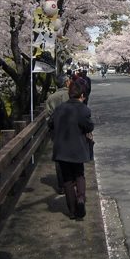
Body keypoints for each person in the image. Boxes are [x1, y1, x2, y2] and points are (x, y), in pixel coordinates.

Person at [48, 81, 94, 220]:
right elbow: (89, 127)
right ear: (81, 95)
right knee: (79, 174)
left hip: (61, 149)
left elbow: (50, 124)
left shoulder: (59, 109)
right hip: (77, 149)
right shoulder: (83, 109)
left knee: (67, 179)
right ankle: (80, 199)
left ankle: (72, 211)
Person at [45, 73, 71, 194]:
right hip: (71, 130)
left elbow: (48, 116)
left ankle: (62, 185)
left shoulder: (51, 98)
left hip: (57, 131)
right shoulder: (71, 94)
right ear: (66, 82)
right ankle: (71, 182)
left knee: (59, 158)